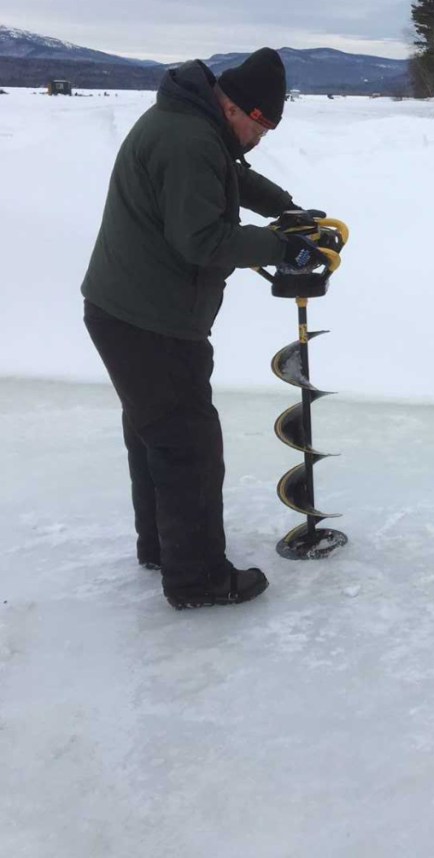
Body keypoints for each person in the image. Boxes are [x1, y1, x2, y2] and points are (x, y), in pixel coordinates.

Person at [81, 47, 328, 610]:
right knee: (188, 447)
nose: (261, 136)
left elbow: (233, 178)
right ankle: (198, 580)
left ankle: (165, 548)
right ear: (234, 106)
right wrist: (280, 245)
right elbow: (201, 240)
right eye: (260, 123)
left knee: (156, 438)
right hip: (150, 321)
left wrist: (287, 211)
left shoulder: (193, 124)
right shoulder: (190, 138)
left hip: (131, 311)